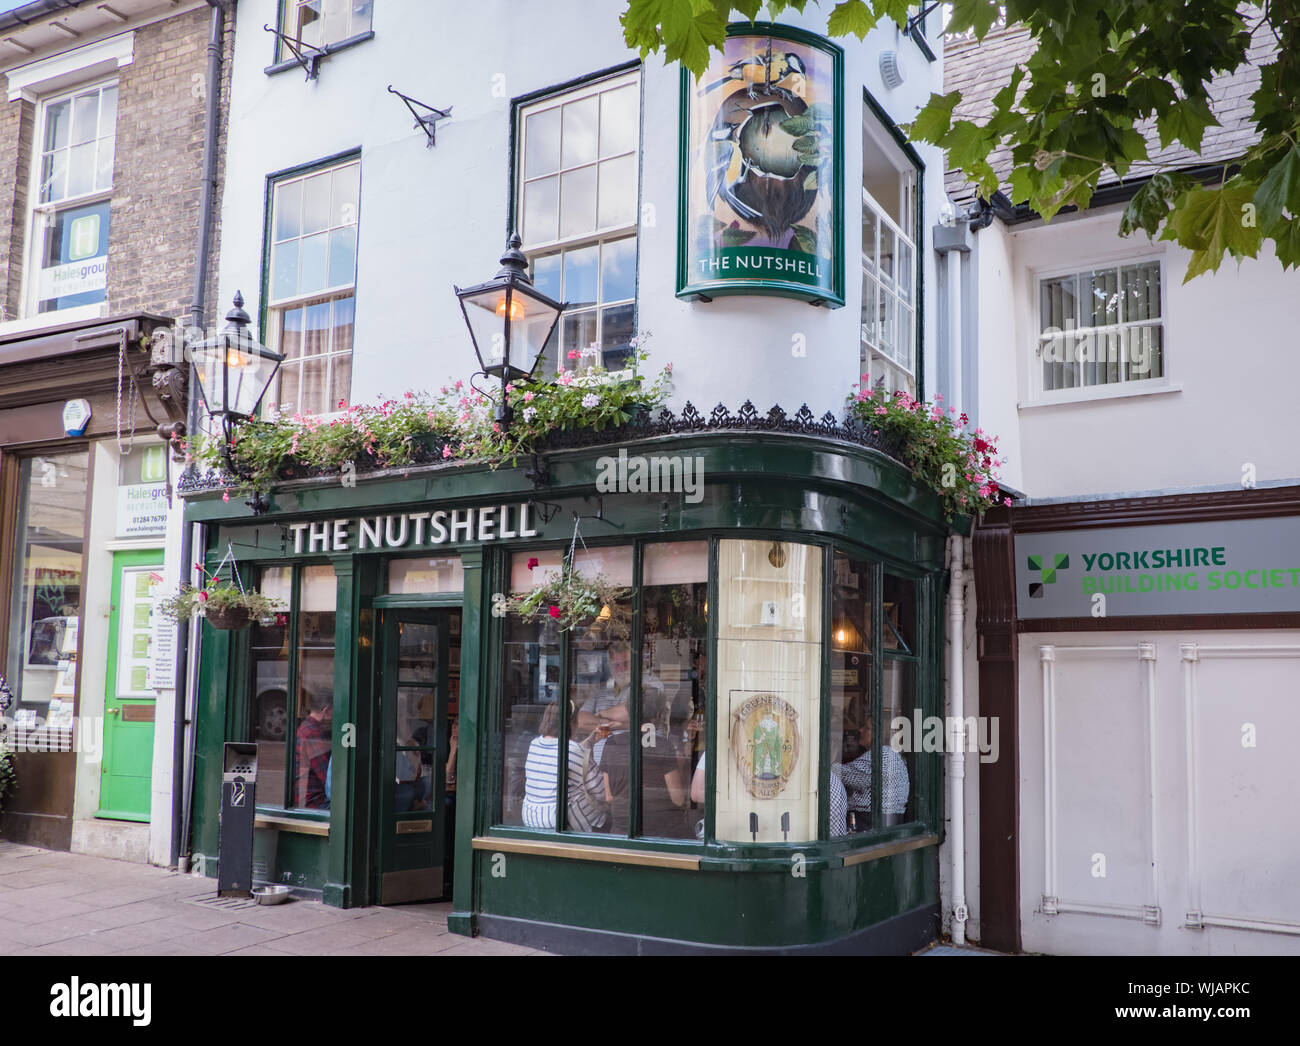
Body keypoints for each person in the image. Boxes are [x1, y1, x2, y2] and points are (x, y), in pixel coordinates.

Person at [599, 689, 691, 837]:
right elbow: (678, 799)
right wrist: (682, 767)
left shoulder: (612, 742)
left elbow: (609, 797)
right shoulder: (662, 745)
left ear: (629, 713)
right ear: (657, 716)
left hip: (621, 831)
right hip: (659, 833)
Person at [521, 703, 608, 832]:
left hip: (531, 818)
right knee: (610, 819)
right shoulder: (573, 749)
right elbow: (601, 792)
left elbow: (565, 753)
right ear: (571, 723)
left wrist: (590, 741)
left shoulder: (534, 744)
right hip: (561, 821)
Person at [834, 719, 909, 828]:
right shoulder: (891, 753)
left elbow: (846, 775)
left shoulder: (883, 755)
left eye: (867, 728)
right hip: (885, 822)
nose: (860, 730)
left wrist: (828, 762)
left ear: (880, 733)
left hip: (871, 823)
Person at [295, 689, 332, 810]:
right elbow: (326, 776)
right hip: (316, 802)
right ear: (326, 710)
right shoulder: (312, 733)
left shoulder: (307, 727)